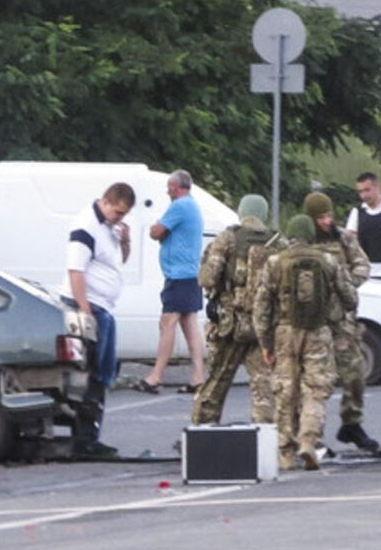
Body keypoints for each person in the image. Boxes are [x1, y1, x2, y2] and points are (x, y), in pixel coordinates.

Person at [252, 214, 358, 471]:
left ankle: (285, 452)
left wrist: (265, 343)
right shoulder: (328, 261)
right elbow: (350, 297)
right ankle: (309, 441)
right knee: (316, 389)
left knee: (285, 391)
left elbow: (261, 307)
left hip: (284, 333)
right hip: (317, 332)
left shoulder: (275, 262)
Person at [190, 194, 279, 427]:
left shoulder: (228, 238)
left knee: (216, 381)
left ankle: (202, 433)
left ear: (241, 212)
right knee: (263, 387)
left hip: (230, 324)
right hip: (265, 328)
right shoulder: (279, 242)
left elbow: (208, 278)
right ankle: (265, 437)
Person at [64, 181, 135, 459]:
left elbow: (120, 261)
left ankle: (90, 436)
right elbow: (75, 271)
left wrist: (125, 240)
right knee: (93, 374)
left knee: (103, 373)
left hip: (103, 306)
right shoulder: (86, 227)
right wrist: (85, 311)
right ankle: (85, 440)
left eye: (124, 214)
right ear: (105, 202)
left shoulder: (108, 227)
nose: (120, 218)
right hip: (90, 307)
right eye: (117, 212)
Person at [306, 191, 378, 453]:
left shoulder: (344, 239)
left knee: (355, 374)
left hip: (344, 323)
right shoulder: (303, 239)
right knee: (317, 382)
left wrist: (345, 283)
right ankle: (312, 434)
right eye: (321, 217)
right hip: (314, 323)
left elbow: (362, 265)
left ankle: (352, 422)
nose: (326, 221)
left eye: (329, 215)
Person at [138, 170, 207, 394]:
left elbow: (156, 231)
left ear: (177, 187)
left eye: (169, 187)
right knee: (189, 324)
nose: (167, 191)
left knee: (167, 322)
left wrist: (159, 231)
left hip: (179, 275)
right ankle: (198, 376)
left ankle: (155, 377)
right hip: (189, 273)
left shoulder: (179, 206)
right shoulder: (193, 206)